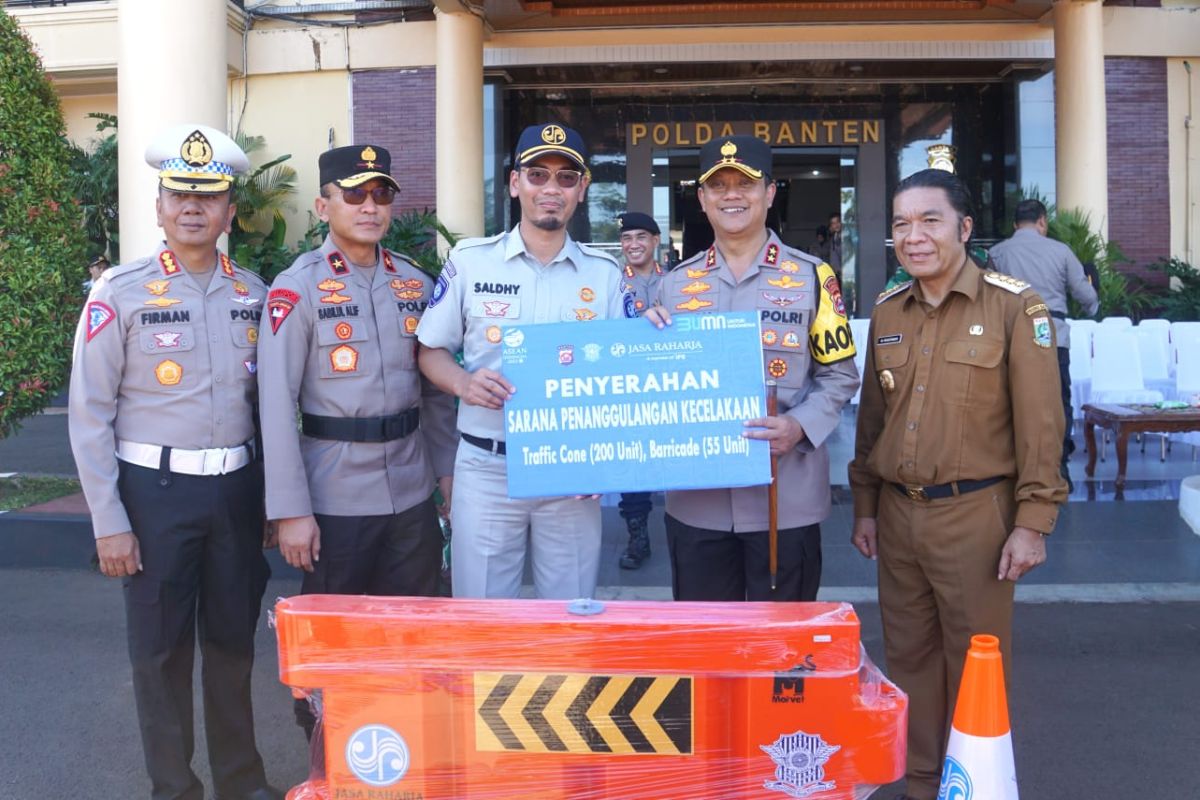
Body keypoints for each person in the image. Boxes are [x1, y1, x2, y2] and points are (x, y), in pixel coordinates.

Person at [68, 124, 281, 800]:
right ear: (159, 205)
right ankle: (174, 788)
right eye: (179, 194)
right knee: (159, 655)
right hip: (153, 492)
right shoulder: (119, 293)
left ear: (229, 211)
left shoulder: (253, 290)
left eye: (209, 195)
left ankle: (241, 781)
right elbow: (89, 413)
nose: (193, 207)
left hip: (237, 492)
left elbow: (269, 409)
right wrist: (109, 520)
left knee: (231, 646)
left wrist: (273, 503)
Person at [848, 169, 1067, 800]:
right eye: (900, 224)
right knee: (909, 665)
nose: (913, 237)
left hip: (976, 518)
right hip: (898, 518)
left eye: (929, 220)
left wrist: (1033, 522)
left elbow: (1041, 425)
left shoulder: (1013, 306)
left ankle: (974, 786)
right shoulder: (888, 311)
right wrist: (865, 507)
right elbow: (872, 424)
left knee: (974, 669)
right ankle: (922, 785)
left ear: (965, 229)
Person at [255, 145, 456, 733]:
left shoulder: (415, 283)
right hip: (335, 495)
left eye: (381, 194)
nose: (370, 206)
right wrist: (290, 512)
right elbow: (274, 407)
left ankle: (410, 757)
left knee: (414, 631)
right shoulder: (297, 290)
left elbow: (437, 395)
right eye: (354, 193)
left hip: (413, 489)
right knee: (335, 647)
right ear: (324, 205)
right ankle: (331, 764)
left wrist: (446, 477)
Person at [417, 122, 632, 599]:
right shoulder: (472, 262)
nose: (550, 189)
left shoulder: (605, 276)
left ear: (582, 189)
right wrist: (463, 384)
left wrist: (606, 461)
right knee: (485, 621)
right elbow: (430, 350)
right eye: (537, 175)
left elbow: (626, 376)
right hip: (489, 466)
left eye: (565, 177)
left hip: (571, 471)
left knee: (570, 617)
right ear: (515, 184)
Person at [644, 135, 859, 602]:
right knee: (708, 650)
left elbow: (840, 375)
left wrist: (799, 426)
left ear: (770, 193)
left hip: (786, 501)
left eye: (745, 182)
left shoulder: (813, 277)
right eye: (717, 185)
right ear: (701, 200)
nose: (732, 194)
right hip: (698, 503)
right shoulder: (673, 287)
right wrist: (643, 342)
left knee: (782, 656)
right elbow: (649, 381)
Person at [989, 198, 1099, 487]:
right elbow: (1084, 294)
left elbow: (986, 296)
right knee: (1057, 400)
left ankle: (1015, 467)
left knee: (1008, 399)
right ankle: (1058, 467)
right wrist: (1093, 303)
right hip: (1052, 334)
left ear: (1015, 225)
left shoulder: (998, 253)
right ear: (1042, 222)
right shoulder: (1060, 251)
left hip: (1010, 335)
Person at [615, 210, 663, 569]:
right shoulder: (612, 283)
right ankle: (638, 537)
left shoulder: (679, 280)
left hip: (671, 387)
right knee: (632, 465)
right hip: (629, 389)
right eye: (627, 238)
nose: (633, 244)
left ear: (655, 241)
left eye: (641, 238)